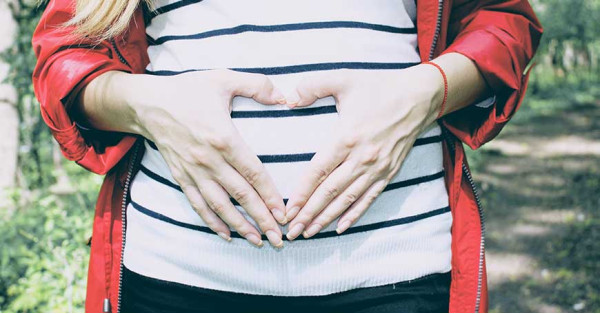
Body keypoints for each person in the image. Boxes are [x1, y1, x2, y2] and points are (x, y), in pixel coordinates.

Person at [32, 0, 542, 312]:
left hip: (396, 271)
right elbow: (65, 57)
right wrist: (146, 106)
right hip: (173, 274)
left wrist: (426, 92)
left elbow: (503, 21)